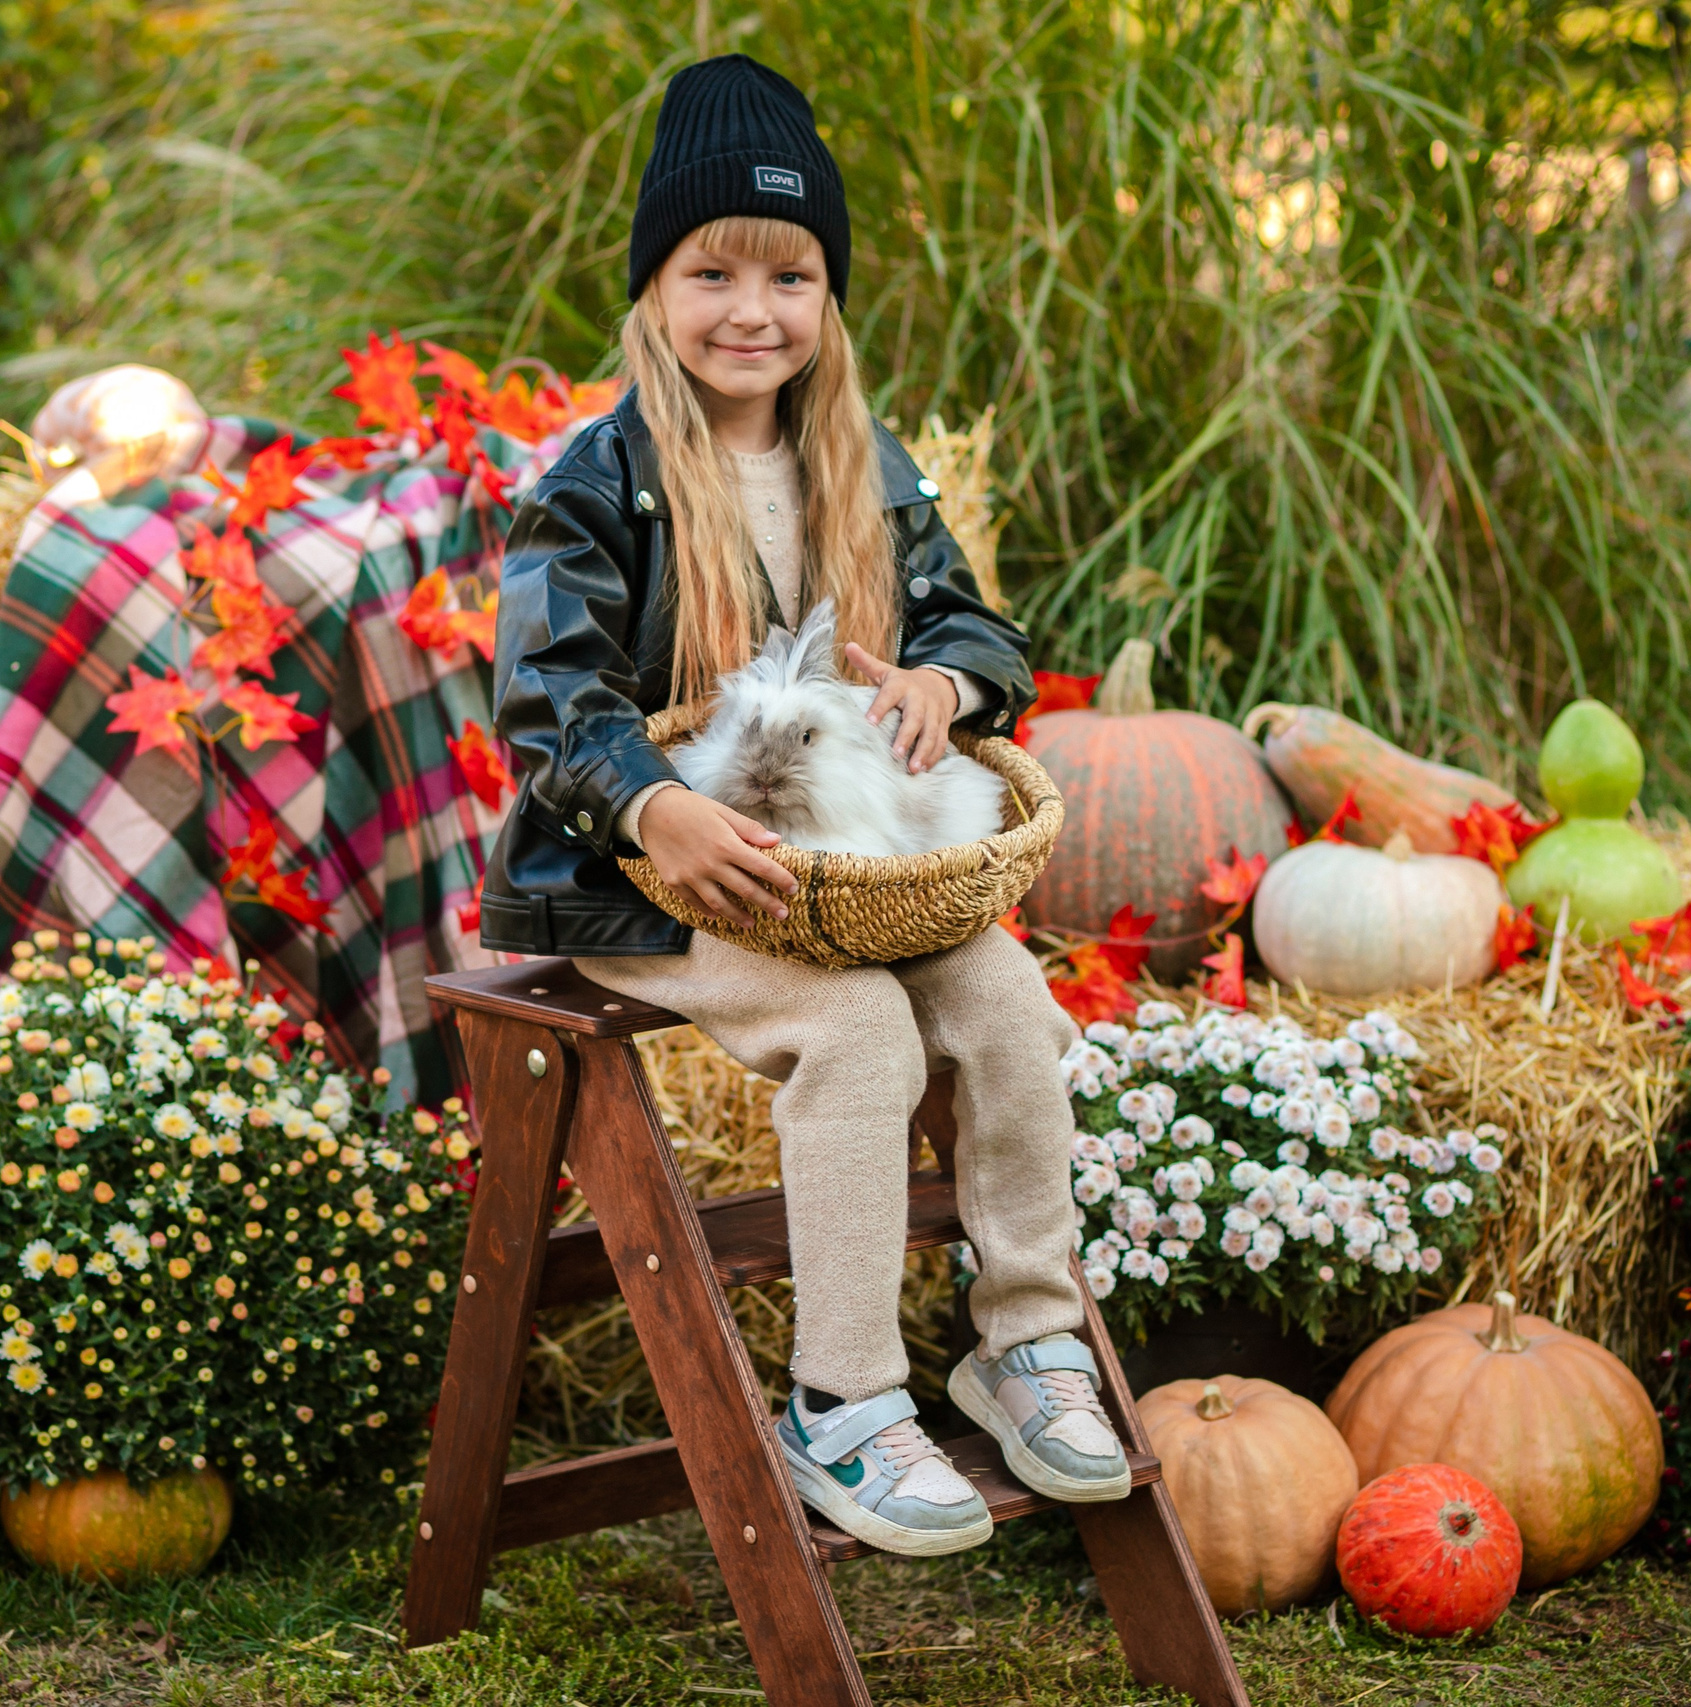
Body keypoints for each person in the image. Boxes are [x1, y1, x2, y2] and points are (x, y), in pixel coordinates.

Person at [482, 54, 1129, 1557]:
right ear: (656, 286)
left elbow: (978, 631)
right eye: (712, 270)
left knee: (1012, 1009)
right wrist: (653, 811)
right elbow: (549, 698)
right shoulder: (599, 480)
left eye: (790, 272)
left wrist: (944, 691)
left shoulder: (866, 466)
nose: (752, 309)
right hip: (646, 883)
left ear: (829, 294)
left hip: (844, 869)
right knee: (857, 1033)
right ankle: (839, 1402)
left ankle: (1029, 1338)